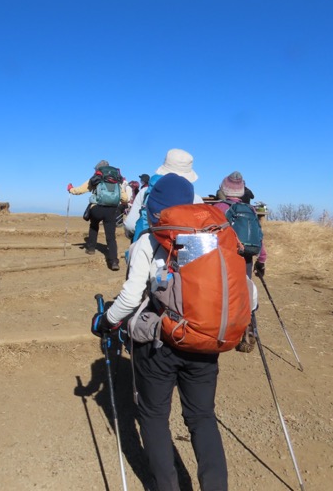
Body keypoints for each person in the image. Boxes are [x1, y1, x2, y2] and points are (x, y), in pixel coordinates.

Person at [92, 174, 229, 491]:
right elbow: (244, 292)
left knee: (154, 416)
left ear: (154, 209)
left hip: (160, 340)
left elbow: (129, 298)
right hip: (204, 340)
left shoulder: (148, 241)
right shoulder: (208, 240)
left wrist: (106, 321)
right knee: (202, 417)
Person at [124, 149, 203, 241]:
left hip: (148, 244)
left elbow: (130, 225)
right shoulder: (196, 198)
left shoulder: (145, 192)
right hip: (181, 249)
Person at [68, 160, 128, 271]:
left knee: (94, 225)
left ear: (98, 169)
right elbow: (125, 198)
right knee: (111, 237)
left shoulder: (96, 178)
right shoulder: (116, 180)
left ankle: (91, 248)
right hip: (111, 210)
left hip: (96, 209)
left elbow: (79, 190)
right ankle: (114, 261)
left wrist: (71, 189)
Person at [213, 172, 267, 278]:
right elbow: (258, 235)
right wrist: (261, 259)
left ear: (223, 188)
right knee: (244, 290)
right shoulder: (250, 209)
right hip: (246, 258)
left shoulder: (218, 207)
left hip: (224, 258)